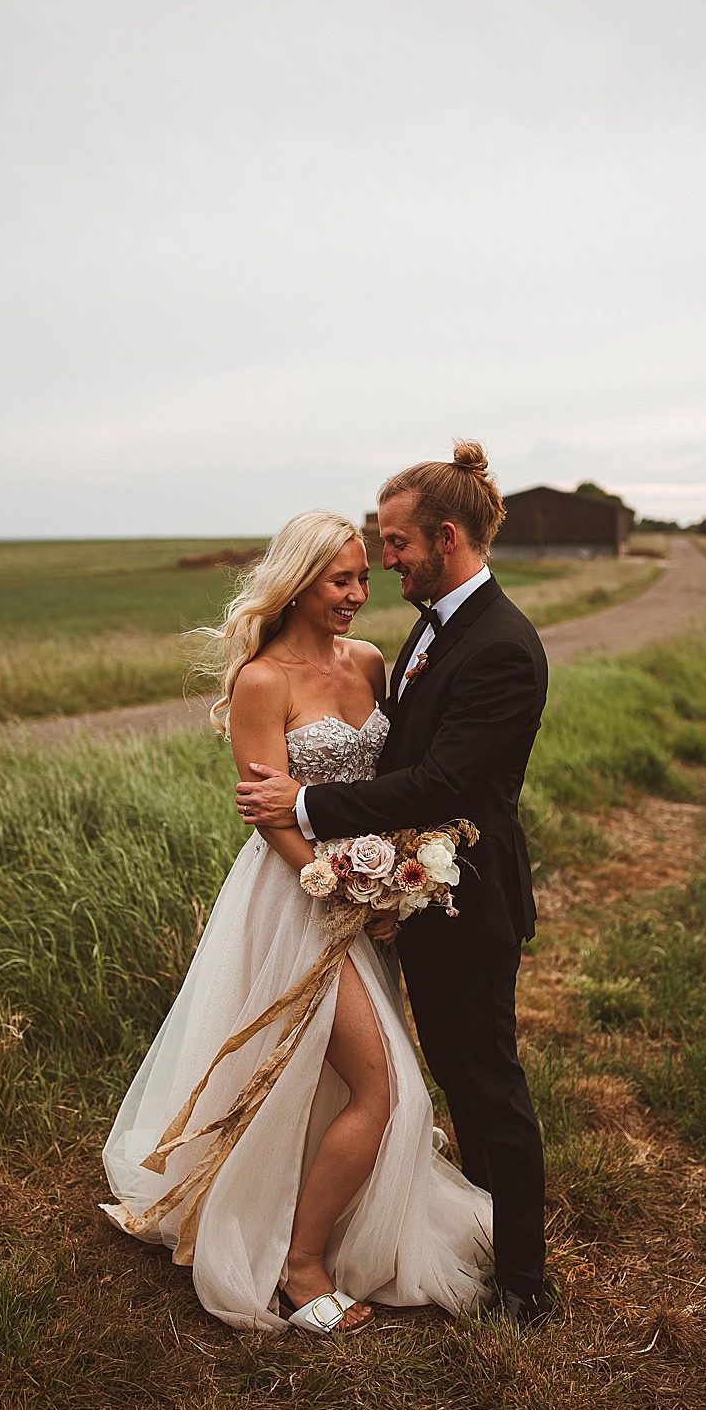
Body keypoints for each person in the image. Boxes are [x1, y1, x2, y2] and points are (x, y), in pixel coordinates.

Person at [100, 509, 494, 1334]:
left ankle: (320, 1226)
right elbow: (267, 814)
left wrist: (396, 879)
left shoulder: (372, 661)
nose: (359, 593)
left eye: (362, 576)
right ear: (298, 582)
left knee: (326, 1079)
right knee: (383, 1084)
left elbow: (397, 781)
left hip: (371, 894)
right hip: (297, 898)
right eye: (340, 580)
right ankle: (296, 1266)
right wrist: (336, 884)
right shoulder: (261, 682)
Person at [235, 442, 554, 1326]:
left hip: (465, 900)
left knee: (484, 1086)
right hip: (393, 900)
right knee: (445, 1077)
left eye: (395, 545)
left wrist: (306, 800)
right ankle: (479, 1230)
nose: (384, 564)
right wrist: (356, 875)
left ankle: (525, 1287)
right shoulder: (430, 627)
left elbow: (442, 785)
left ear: (445, 537)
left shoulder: (499, 646)